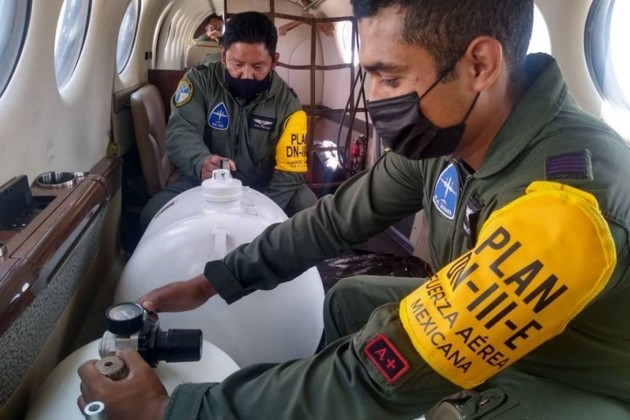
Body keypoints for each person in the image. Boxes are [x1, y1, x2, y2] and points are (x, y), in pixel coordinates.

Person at [79, 0, 630, 418]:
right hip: (483, 320)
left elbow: (383, 369)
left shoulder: (563, 209)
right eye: (369, 73)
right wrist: (215, 280)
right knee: (348, 300)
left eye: (390, 77)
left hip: (564, 373)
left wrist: (175, 410)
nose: (375, 97)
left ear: (480, 65)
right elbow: (335, 220)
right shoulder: (450, 139)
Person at [140, 11, 317, 231]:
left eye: (258, 67)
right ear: (223, 55)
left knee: (308, 207)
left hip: (263, 187)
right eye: (238, 64)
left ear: (274, 61)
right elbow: (181, 132)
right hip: (204, 183)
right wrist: (201, 161)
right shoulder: (199, 82)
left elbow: (290, 172)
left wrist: (258, 214)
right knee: (152, 215)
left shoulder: (288, 104)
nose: (247, 75)